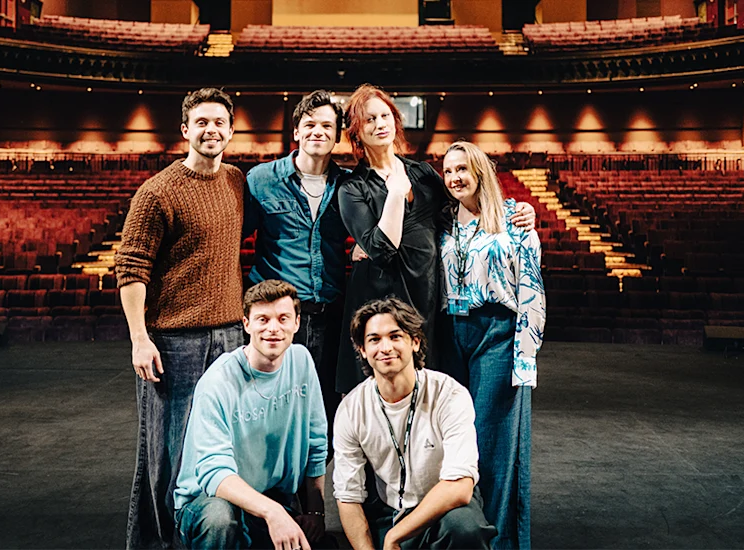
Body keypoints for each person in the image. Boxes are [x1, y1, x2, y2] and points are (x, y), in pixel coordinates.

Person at [334, 84, 537, 394]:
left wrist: (515, 211)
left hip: (427, 299)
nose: (379, 124)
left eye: (384, 116)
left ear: (395, 120)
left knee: (428, 400)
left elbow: (463, 212)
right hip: (381, 302)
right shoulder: (352, 189)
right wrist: (395, 194)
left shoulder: (424, 173)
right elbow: (381, 249)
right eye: (369, 119)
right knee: (382, 398)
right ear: (356, 132)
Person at [115, 87, 247, 549]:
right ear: (186, 129)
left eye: (219, 123)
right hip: (175, 342)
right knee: (167, 452)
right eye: (202, 123)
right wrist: (139, 338)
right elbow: (131, 267)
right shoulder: (157, 192)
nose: (211, 130)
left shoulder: (235, 180)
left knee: (224, 446)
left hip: (231, 336)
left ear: (230, 131)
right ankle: (159, 542)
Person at [438, 141, 545, 549]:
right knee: (452, 442)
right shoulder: (443, 222)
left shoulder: (516, 220)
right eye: (448, 172)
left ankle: (500, 542)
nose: (455, 178)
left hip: (497, 333)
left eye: (462, 169)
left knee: (493, 444)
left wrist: (525, 356)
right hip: (451, 333)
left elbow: (532, 293)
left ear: (481, 170)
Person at [173, 280, 330, 550]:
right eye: (262, 319)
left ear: (296, 322)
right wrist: (273, 512)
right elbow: (215, 474)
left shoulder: (301, 361)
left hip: (270, 498)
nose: (273, 328)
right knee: (220, 520)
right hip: (208, 502)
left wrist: (315, 513)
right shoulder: (219, 382)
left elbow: (316, 443)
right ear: (246, 324)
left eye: (283, 319)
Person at [333, 297, 497, 550]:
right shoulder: (351, 409)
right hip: (389, 510)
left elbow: (460, 487)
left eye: (395, 336)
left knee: (466, 529)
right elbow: (348, 496)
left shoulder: (448, 394)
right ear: (363, 350)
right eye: (374, 339)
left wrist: (394, 537)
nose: (385, 347)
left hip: (444, 506)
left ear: (415, 342)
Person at [245, 90, 352, 426]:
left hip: (331, 316)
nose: (317, 131)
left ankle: (317, 479)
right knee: (273, 413)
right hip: (279, 317)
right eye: (309, 124)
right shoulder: (261, 179)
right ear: (296, 131)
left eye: (326, 126)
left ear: (337, 136)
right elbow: (231, 237)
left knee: (325, 414)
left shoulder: (349, 186)